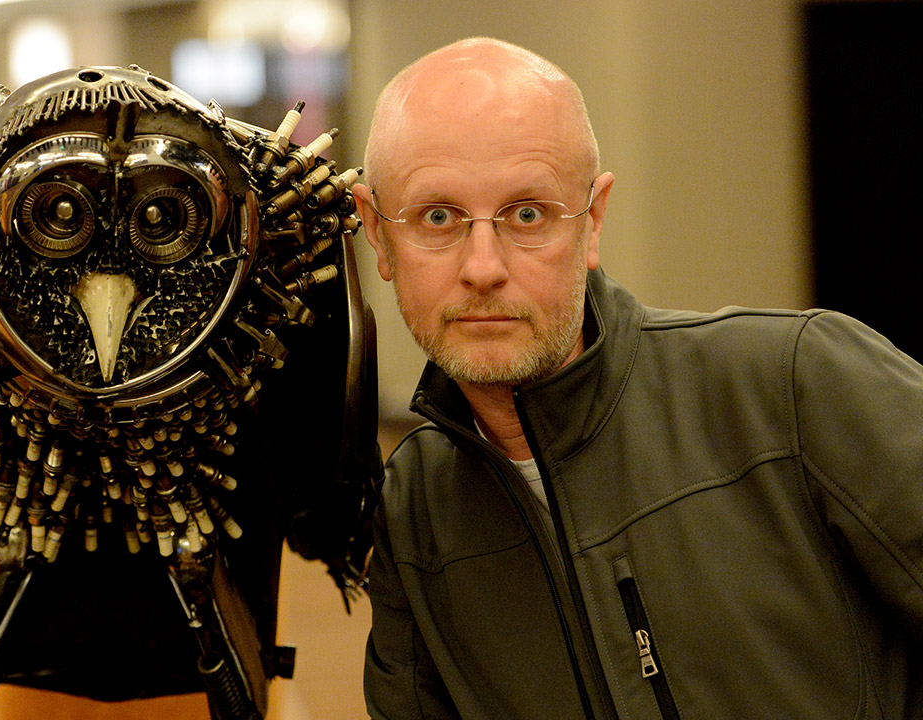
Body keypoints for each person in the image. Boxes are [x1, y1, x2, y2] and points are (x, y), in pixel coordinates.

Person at [352, 36, 923, 719]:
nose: (483, 267)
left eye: (528, 214)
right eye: (438, 217)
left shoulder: (794, 386)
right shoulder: (412, 513)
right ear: (377, 234)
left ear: (592, 221)